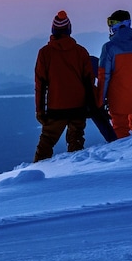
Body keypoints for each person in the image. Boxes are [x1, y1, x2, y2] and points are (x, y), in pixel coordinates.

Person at [34, 10, 95, 162]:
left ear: (53, 30)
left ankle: (35, 177)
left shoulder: (45, 53)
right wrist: (90, 105)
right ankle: (75, 176)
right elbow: (89, 81)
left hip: (56, 107)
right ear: (69, 30)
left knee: (46, 144)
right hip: (78, 106)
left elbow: (40, 84)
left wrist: (40, 111)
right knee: (76, 144)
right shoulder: (81, 52)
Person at [97, 9, 132, 138]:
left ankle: (123, 156)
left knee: (119, 131)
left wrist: (100, 101)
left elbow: (104, 76)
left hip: (117, 98)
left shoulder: (109, 48)